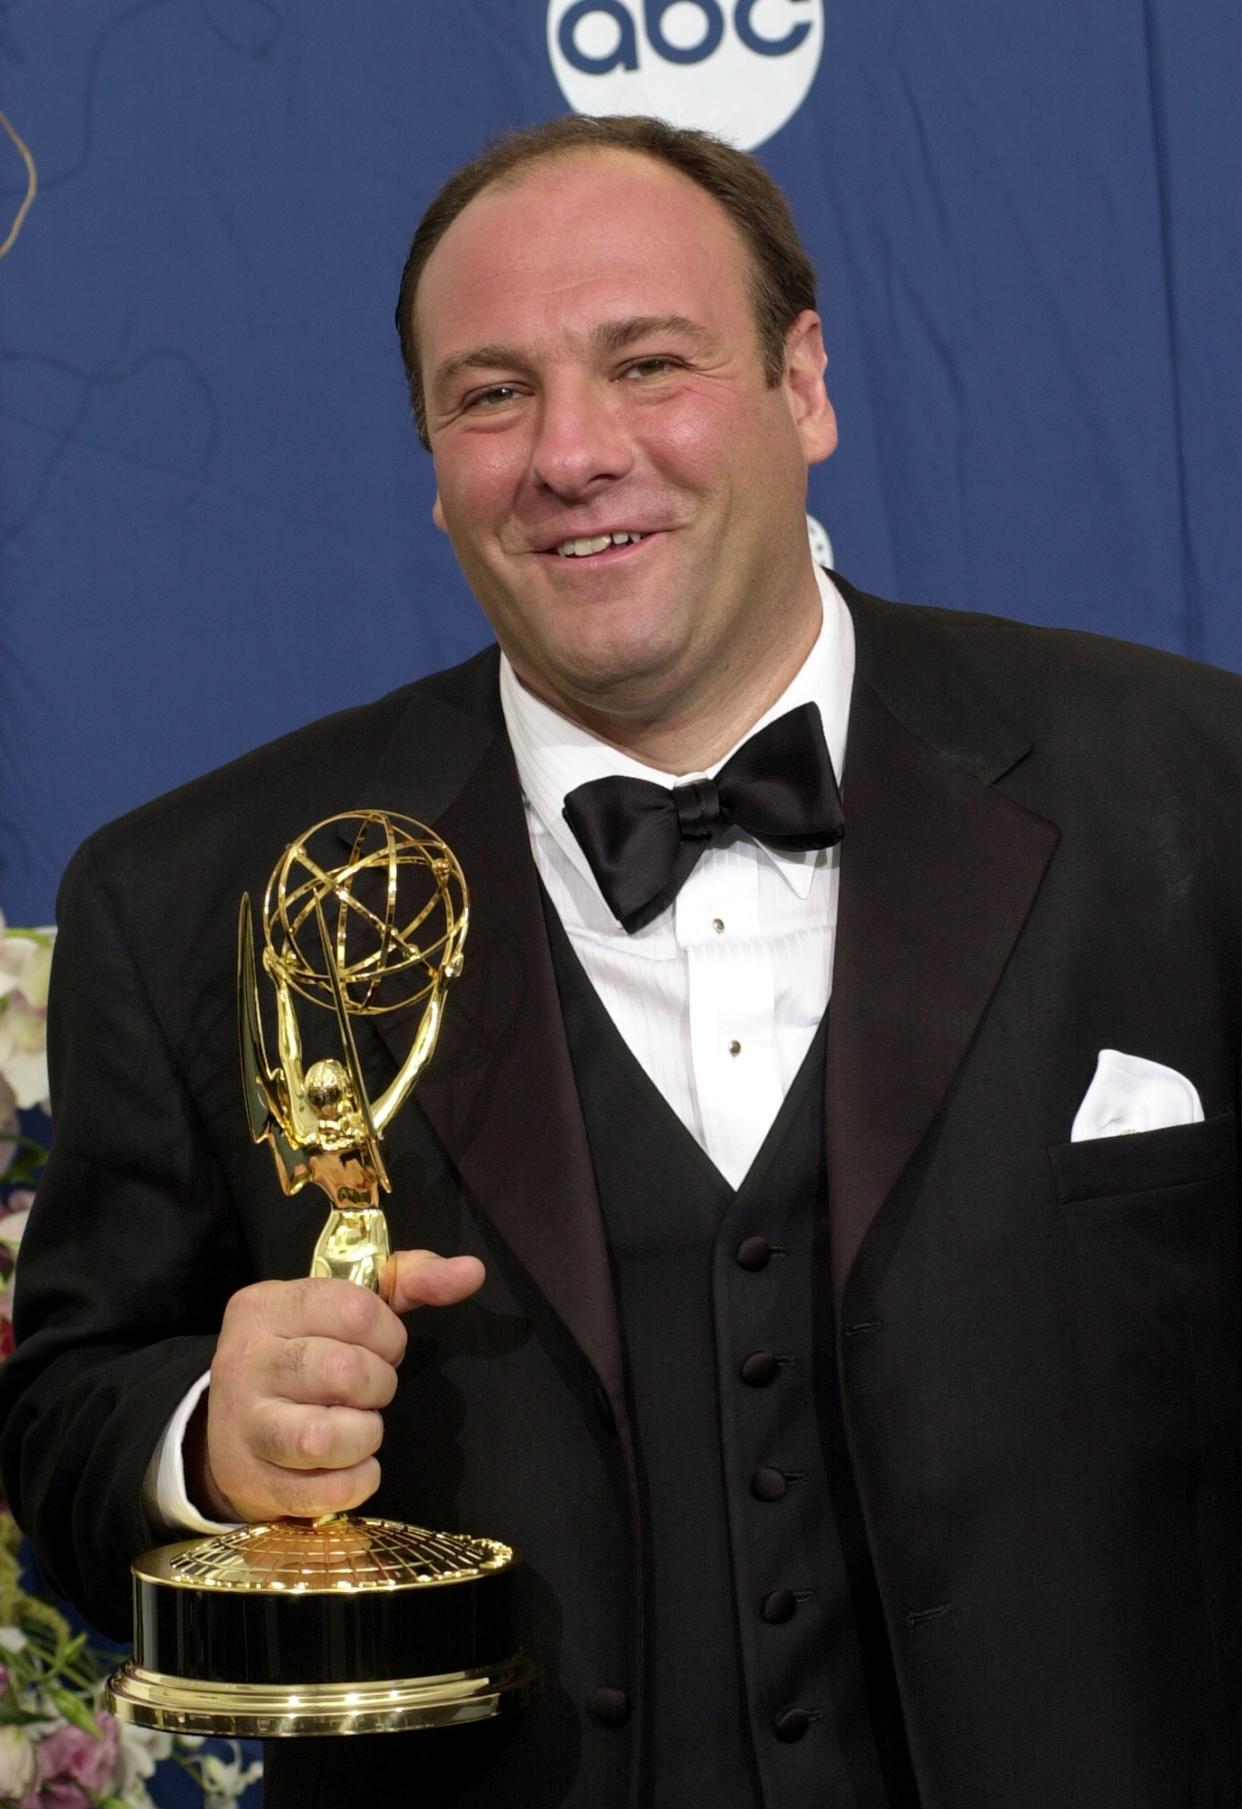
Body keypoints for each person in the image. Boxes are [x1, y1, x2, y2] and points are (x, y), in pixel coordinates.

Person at [2, 115, 1237, 1809]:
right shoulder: (192, 892)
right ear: (431, 457)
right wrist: (210, 1442)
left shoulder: (1188, 792)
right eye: (490, 393)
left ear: (800, 385)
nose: (571, 452)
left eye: (647, 362)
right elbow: (70, 1416)